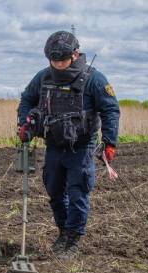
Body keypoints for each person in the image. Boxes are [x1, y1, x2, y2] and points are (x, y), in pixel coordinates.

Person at [18, 30, 120, 259]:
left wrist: (109, 142)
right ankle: (63, 232)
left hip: (81, 146)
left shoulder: (94, 78)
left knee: (77, 193)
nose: (58, 64)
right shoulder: (43, 77)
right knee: (54, 191)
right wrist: (24, 125)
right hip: (53, 144)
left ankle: (73, 240)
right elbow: (27, 99)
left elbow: (111, 110)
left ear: (75, 54)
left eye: (62, 60)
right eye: (53, 60)